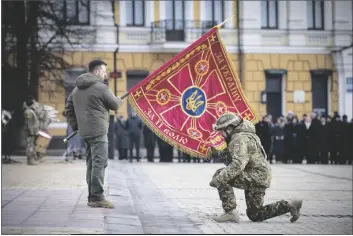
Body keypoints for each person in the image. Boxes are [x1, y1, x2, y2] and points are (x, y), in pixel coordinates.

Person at [209, 112, 302, 223]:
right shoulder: (245, 135)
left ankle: (230, 212)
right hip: (260, 176)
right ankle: (289, 205)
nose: (221, 134)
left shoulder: (240, 138)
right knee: (255, 214)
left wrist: (219, 180)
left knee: (221, 174)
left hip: (255, 175)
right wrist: (216, 153)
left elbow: (237, 165)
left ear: (229, 128)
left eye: (222, 131)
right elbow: (235, 159)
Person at [65, 59, 123, 208]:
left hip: (85, 132)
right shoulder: (100, 87)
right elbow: (115, 104)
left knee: (91, 163)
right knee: (99, 163)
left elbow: (68, 109)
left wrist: (76, 126)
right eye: (104, 72)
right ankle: (97, 197)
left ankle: (92, 196)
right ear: (97, 71)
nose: (105, 75)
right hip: (98, 131)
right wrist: (119, 100)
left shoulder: (76, 89)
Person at [23, 96, 41, 165]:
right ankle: (29, 160)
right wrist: (31, 132)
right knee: (29, 146)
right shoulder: (28, 112)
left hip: (32, 132)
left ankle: (32, 159)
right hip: (30, 132)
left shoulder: (31, 111)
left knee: (31, 146)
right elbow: (29, 123)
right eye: (34, 103)